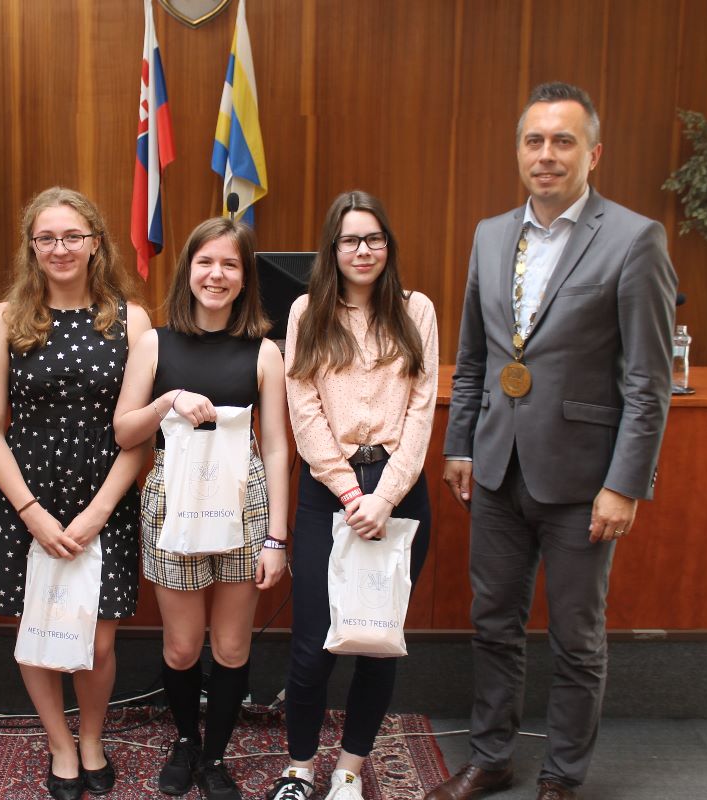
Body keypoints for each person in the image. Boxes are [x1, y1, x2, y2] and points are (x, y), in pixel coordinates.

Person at [427, 83, 677, 800]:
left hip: (583, 482)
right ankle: (491, 757)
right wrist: (460, 445)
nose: (546, 154)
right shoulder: (490, 234)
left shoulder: (634, 239)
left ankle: (563, 777)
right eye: (534, 140)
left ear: (592, 154)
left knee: (577, 638)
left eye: (563, 141)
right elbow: (474, 358)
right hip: (497, 471)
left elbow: (648, 382)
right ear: (518, 152)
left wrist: (625, 485)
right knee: (493, 625)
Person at [0, 187, 150, 800]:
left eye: (73, 236)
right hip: (27, 497)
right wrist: (31, 513)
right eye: (46, 238)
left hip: (107, 497)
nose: (60, 248)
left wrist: (100, 511)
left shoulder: (131, 320)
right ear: (31, 246)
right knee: (37, 629)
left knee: (98, 637)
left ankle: (93, 738)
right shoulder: (3, 319)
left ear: (96, 243)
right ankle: (60, 743)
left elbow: (139, 432)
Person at [265, 191, 437, 800]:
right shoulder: (306, 311)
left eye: (373, 238)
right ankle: (300, 768)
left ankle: (348, 773)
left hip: (399, 494)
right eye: (349, 240)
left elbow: (421, 412)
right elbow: (303, 408)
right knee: (313, 646)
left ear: (388, 245)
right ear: (332, 249)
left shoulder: (416, 310)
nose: (363, 250)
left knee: (377, 642)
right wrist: (347, 489)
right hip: (326, 493)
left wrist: (384, 498)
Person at [114, 217, 290, 800]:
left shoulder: (265, 353)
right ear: (188, 270)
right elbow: (124, 431)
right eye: (206, 262)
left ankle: (215, 757)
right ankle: (187, 741)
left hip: (244, 505)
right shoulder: (154, 344)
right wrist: (168, 399)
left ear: (245, 278)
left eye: (230, 264)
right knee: (183, 646)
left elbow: (277, 447)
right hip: (173, 502)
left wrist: (277, 538)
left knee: (233, 647)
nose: (216, 275)